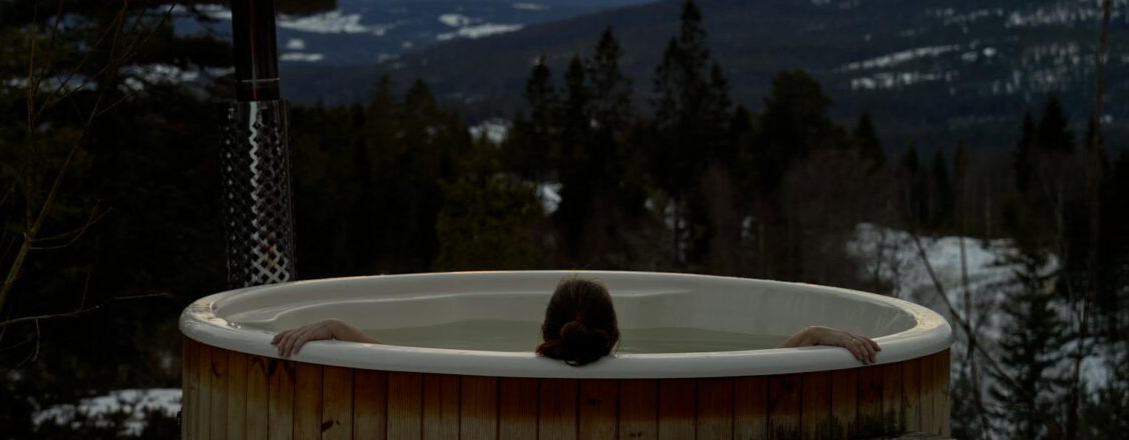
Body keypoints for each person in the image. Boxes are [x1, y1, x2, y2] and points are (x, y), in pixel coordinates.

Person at [271, 277, 881, 364]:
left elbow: (389, 364)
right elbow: (773, 365)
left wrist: (331, 328)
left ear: (545, 332)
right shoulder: (674, 380)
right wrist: (820, 337)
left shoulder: (484, 377)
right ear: (617, 335)